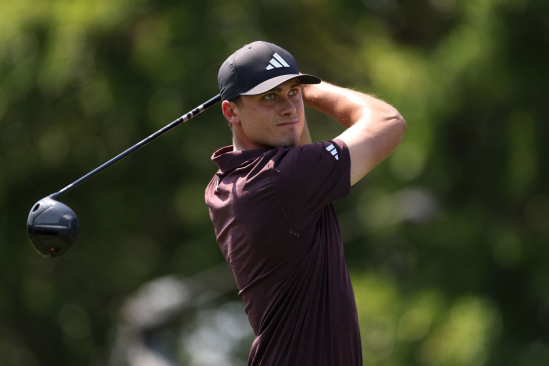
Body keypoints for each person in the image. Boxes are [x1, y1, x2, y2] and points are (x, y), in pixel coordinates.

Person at [204, 41, 406, 366]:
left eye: (293, 93)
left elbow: (295, 141)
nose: (289, 108)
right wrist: (312, 90)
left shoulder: (225, 182)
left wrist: (289, 88)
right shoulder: (282, 179)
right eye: (269, 96)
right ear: (231, 111)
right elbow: (388, 122)